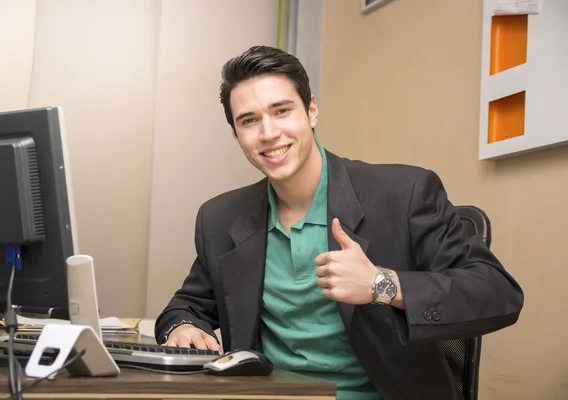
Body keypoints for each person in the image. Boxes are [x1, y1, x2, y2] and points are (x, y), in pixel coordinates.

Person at [154, 45, 524, 400]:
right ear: (236, 135)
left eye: (281, 111)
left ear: (311, 111)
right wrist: (182, 326)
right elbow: (185, 306)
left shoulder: (404, 193)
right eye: (249, 121)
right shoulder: (221, 217)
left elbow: (497, 293)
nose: (268, 133)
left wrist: (382, 284)